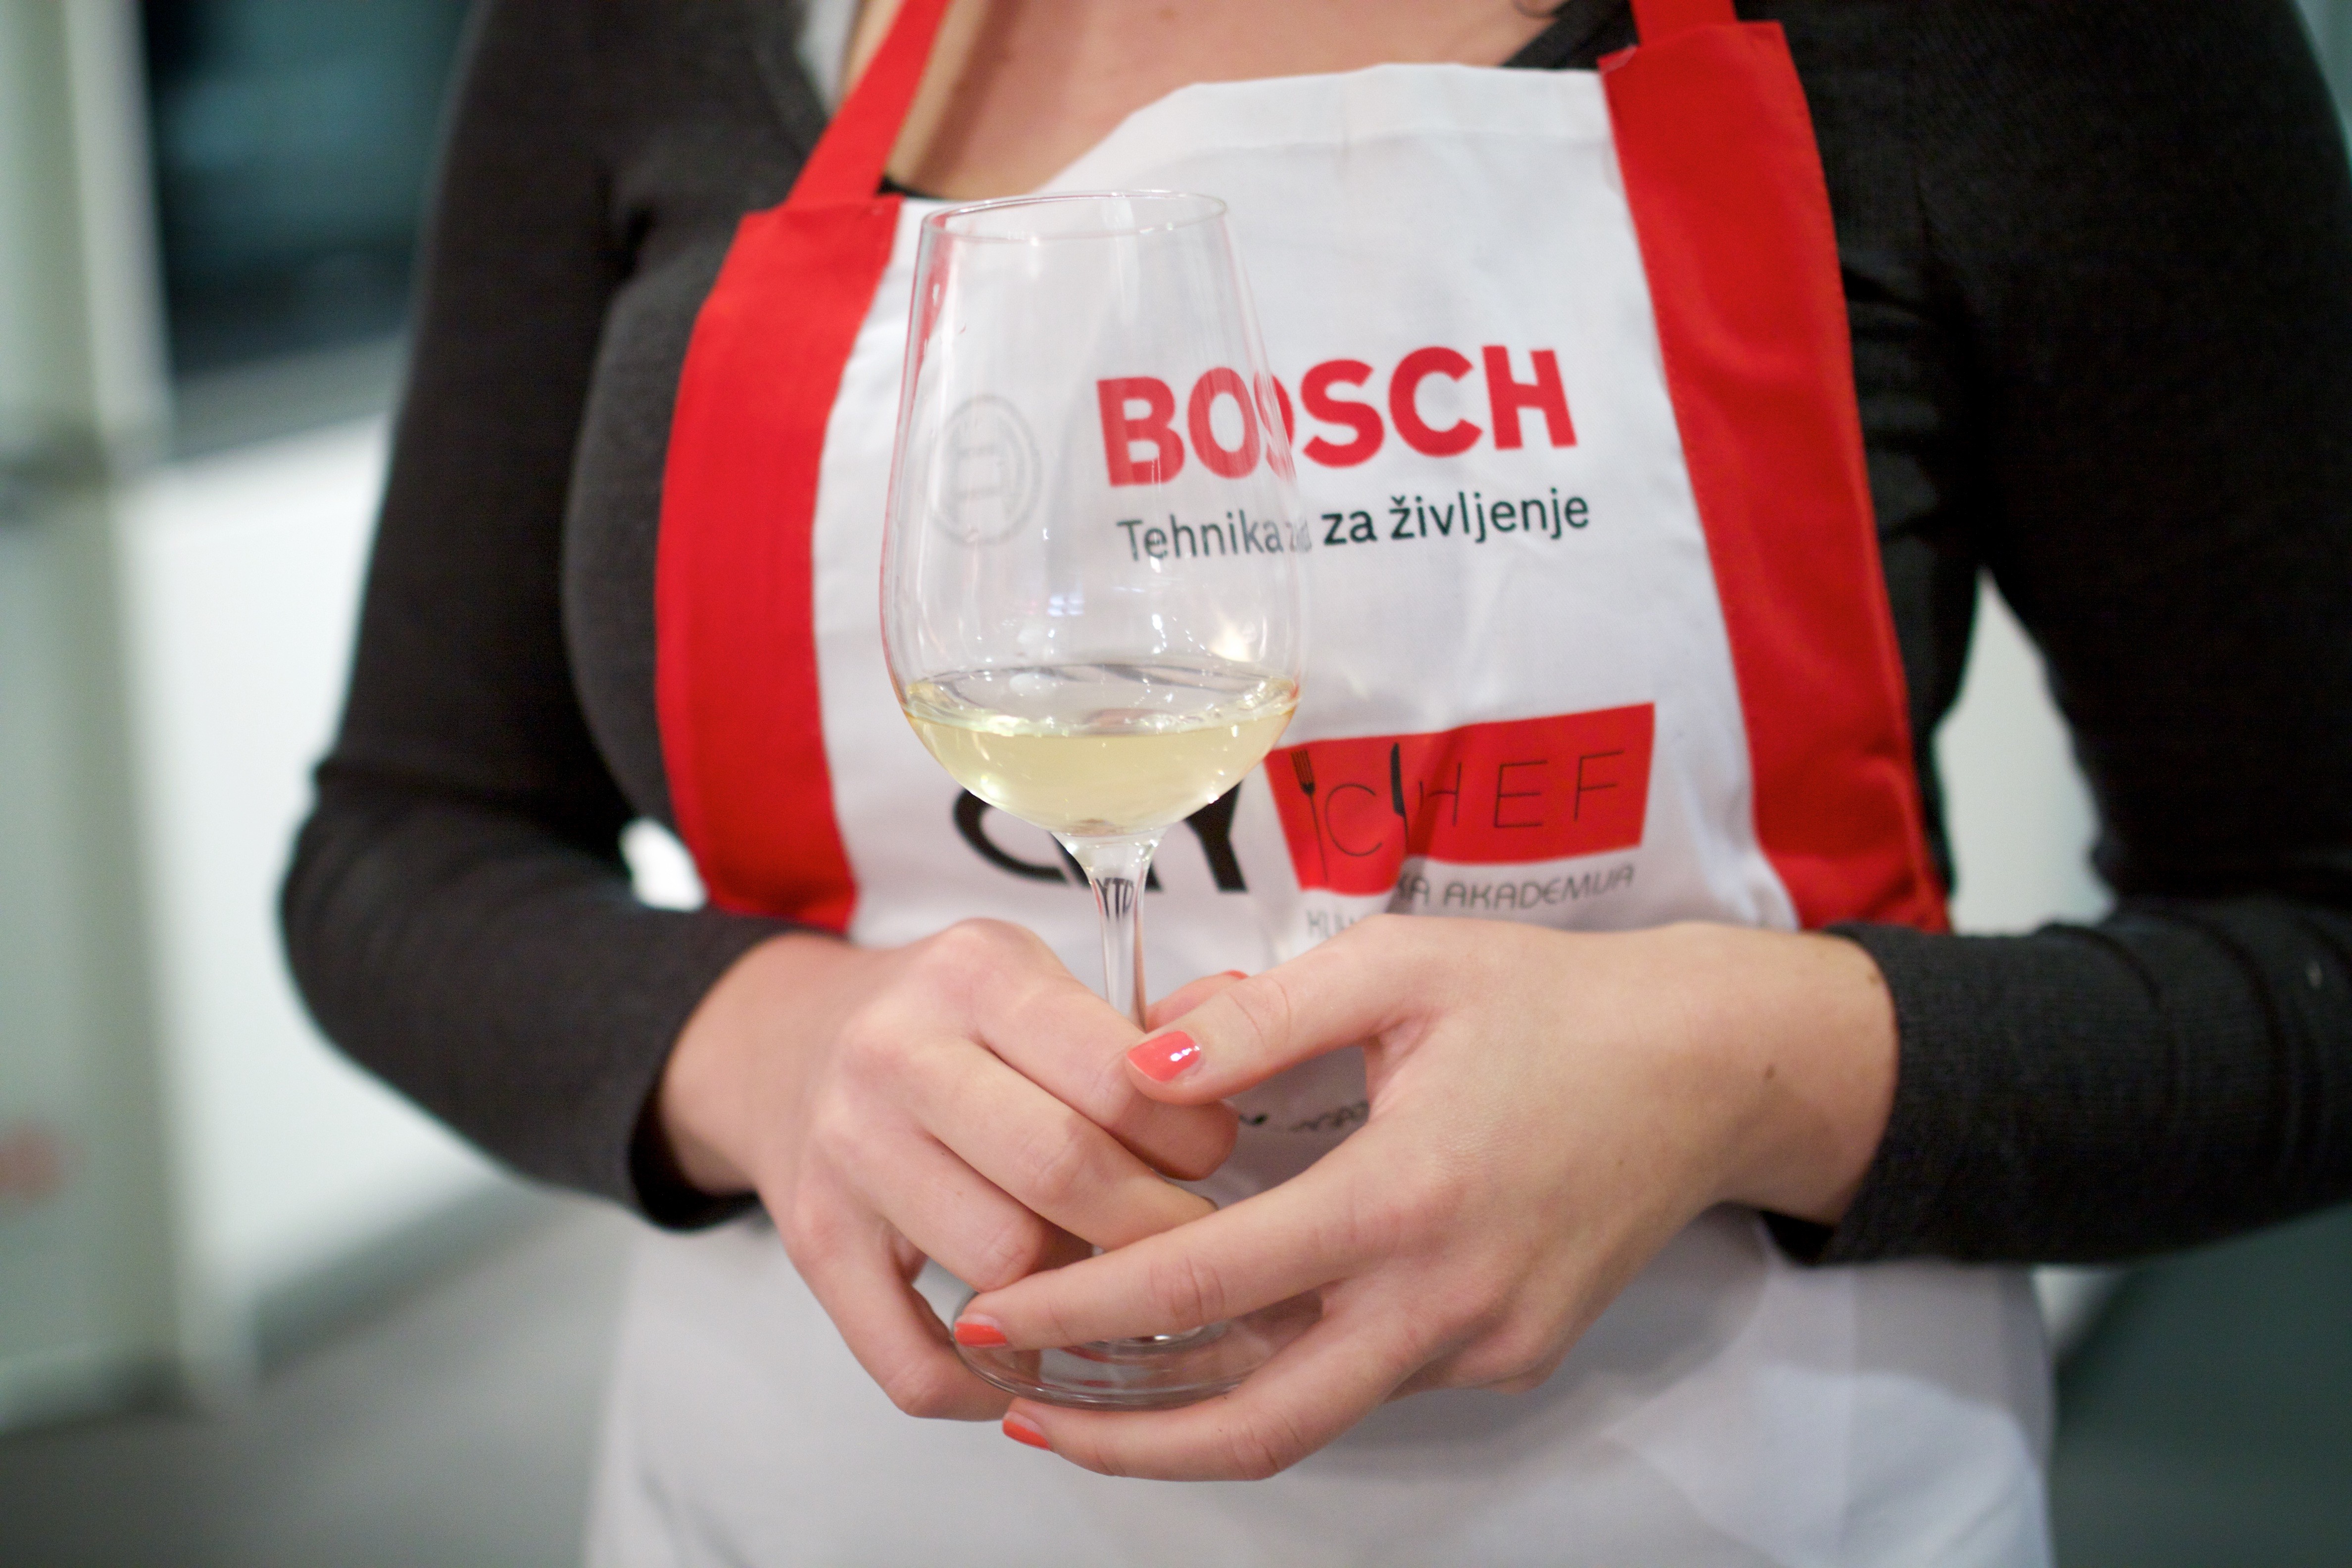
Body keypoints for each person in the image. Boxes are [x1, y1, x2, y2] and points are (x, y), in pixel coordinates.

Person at [283, 0, 2352, 1561]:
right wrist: (770, 1043)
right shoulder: (633, 31)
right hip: (828, 1496)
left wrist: (1740, 1068)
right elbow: (402, 849)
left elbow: (2317, 930)